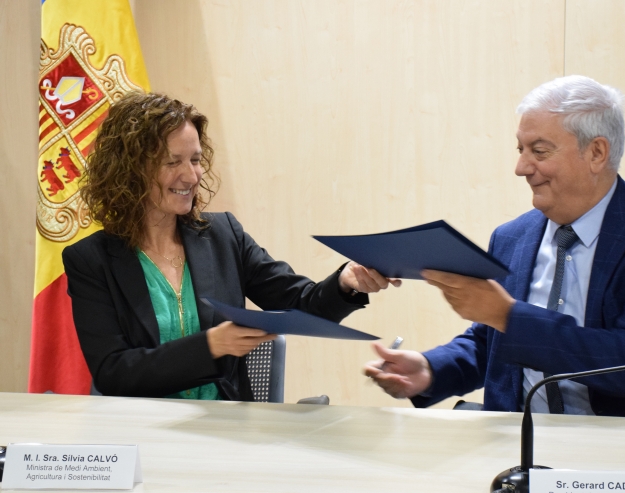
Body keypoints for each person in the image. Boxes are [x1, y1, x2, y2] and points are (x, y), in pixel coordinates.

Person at [365, 75, 625, 422]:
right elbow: (493, 343)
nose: (521, 168)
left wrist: (505, 314)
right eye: (520, 150)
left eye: (539, 151)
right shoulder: (511, 237)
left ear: (596, 153)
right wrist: (429, 370)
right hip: (523, 445)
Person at [63, 91, 399, 401]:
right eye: (172, 162)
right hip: (142, 435)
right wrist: (209, 346)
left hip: (225, 430)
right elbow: (113, 374)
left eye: (195, 160)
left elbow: (300, 304)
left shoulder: (224, 235)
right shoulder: (90, 260)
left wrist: (346, 283)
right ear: (130, 170)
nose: (191, 176)